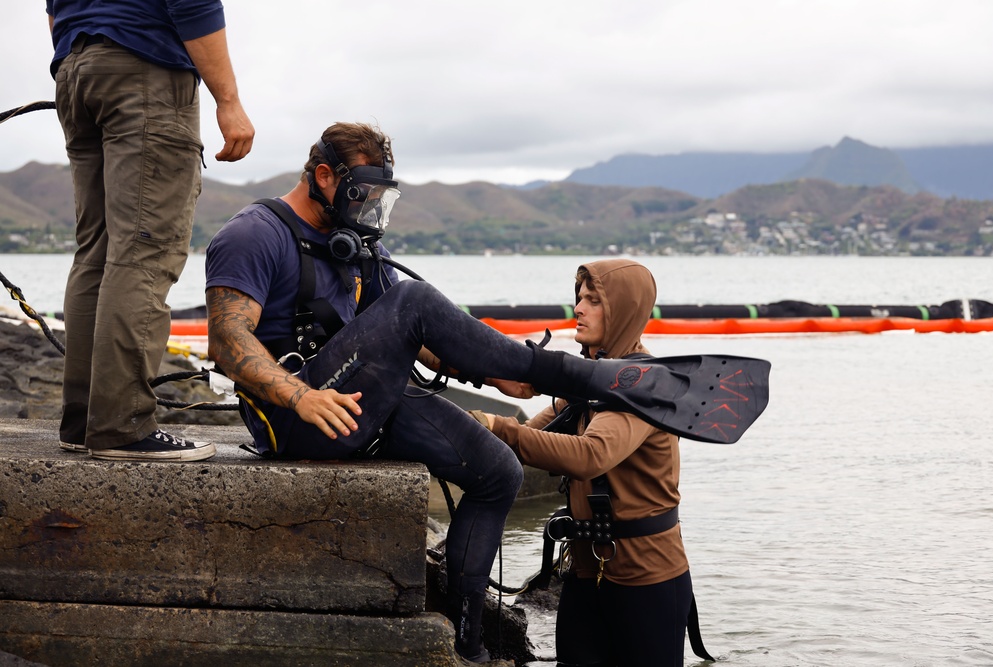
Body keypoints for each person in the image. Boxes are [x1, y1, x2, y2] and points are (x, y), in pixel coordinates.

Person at [203, 123, 734, 662]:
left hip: (356, 406)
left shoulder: (355, 244)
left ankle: (467, 642)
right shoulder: (255, 233)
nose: (371, 210)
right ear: (323, 177)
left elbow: (427, 337)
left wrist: (494, 377)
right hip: (300, 416)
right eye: (364, 195)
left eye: (382, 198)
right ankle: (562, 372)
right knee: (411, 298)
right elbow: (226, 341)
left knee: (498, 472)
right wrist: (300, 397)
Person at [46, 0, 254, 462]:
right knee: (143, 253)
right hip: (145, 69)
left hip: (75, 68)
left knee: (96, 253)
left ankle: (85, 422)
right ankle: (121, 426)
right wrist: (229, 100)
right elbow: (193, 3)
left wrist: (79, 65)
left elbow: (55, 12)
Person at [473, 259, 702, 667]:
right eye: (579, 297)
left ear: (623, 312)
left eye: (594, 301)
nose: (579, 308)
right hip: (585, 572)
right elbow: (534, 434)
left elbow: (590, 456)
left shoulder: (646, 386)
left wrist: (499, 427)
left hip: (648, 580)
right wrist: (471, 424)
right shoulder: (589, 383)